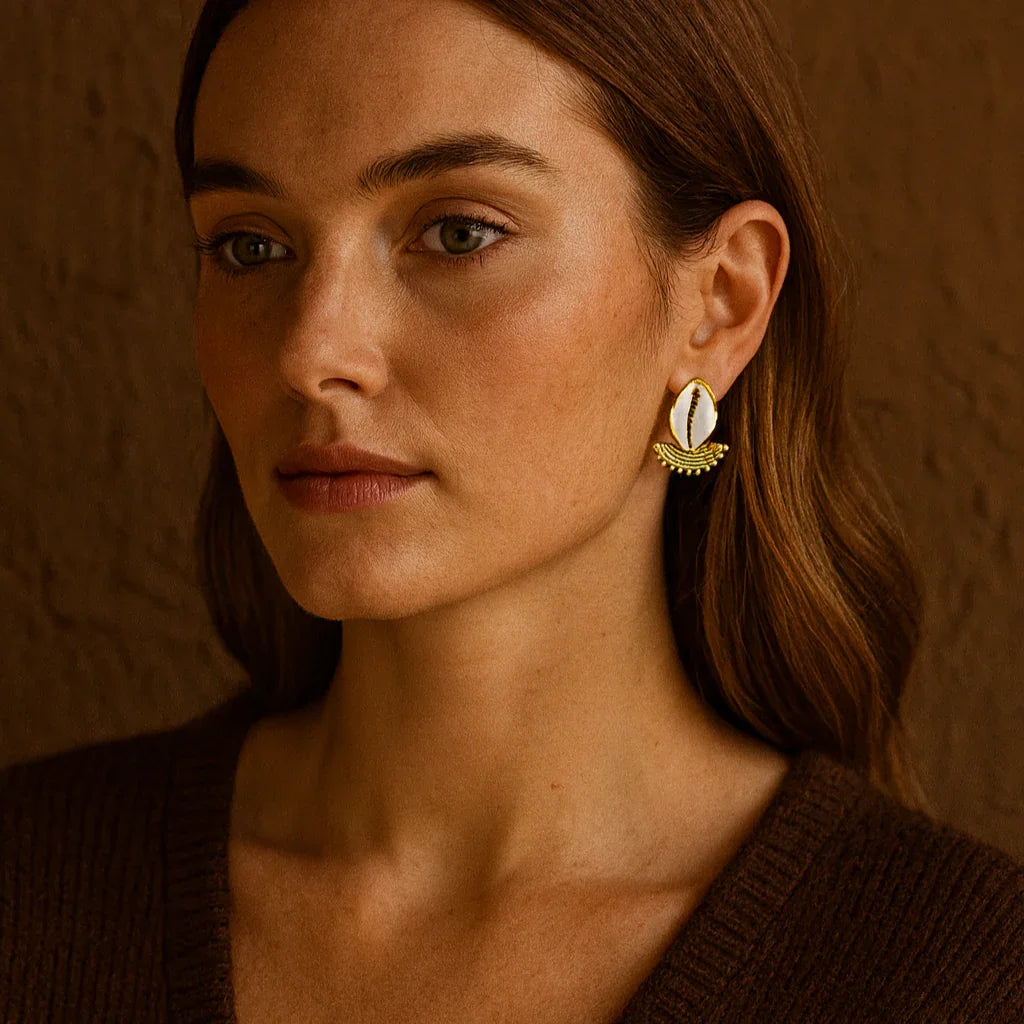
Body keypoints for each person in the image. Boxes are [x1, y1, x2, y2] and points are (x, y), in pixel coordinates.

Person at [2, 0, 1022, 1021]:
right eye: (249, 248)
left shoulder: (964, 980)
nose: (310, 353)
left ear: (719, 302)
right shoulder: (31, 897)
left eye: (457, 233)